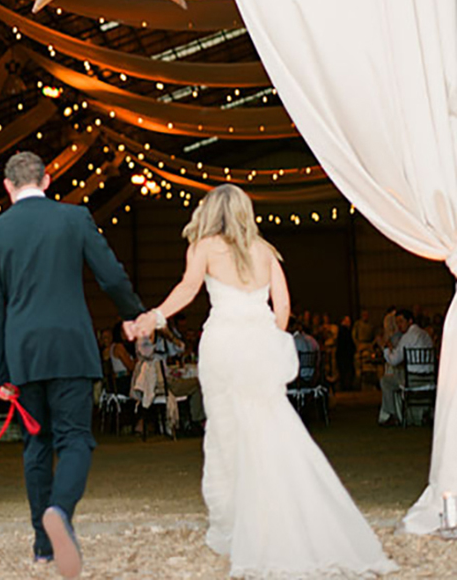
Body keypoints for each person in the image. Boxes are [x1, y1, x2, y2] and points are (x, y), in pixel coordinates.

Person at [127, 184, 394, 579]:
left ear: (211, 212)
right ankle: (276, 521)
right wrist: (269, 339)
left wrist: (154, 317)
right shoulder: (266, 252)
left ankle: (238, 528)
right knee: (270, 429)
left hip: (223, 346)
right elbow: (282, 307)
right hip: (258, 344)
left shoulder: (204, 246)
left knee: (226, 433)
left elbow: (187, 288)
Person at [0, 151, 144, 579]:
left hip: (23, 354)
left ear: (7, 187)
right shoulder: (74, 219)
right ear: (47, 180)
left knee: (37, 446)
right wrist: (133, 315)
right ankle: (60, 511)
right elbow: (110, 275)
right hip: (71, 347)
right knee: (75, 440)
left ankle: (42, 545)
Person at [378, 308, 434, 427]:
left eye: (401, 322)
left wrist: (386, 349)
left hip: (413, 381)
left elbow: (394, 361)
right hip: (430, 379)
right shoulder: (425, 334)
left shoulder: (407, 337)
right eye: (397, 322)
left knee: (385, 381)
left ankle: (391, 415)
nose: (399, 325)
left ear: (410, 321)